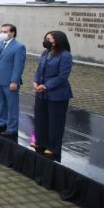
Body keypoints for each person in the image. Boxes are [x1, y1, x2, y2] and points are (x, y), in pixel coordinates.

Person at [32, 30, 73, 161]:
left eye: (49, 39)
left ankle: (53, 147)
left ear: (57, 41)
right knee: (40, 119)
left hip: (57, 94)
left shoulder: (65, 55)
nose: (46, 41)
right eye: (46, 38)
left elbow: (62, 76)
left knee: (55, 123)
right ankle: (40, 142)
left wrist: (46, 86)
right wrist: (36, 81)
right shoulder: (45, 53)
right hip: (41, 92)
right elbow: (39, 70)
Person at [0, 23, 27, 139]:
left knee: (12, 106)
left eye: (5, 32)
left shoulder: (19, 47)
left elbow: (18, 66)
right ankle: (1, 123)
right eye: (1, 31)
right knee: (0, 103)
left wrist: (14, 81)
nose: (2, 34)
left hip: (10, 81)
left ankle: (12, 128)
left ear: (12, 33)